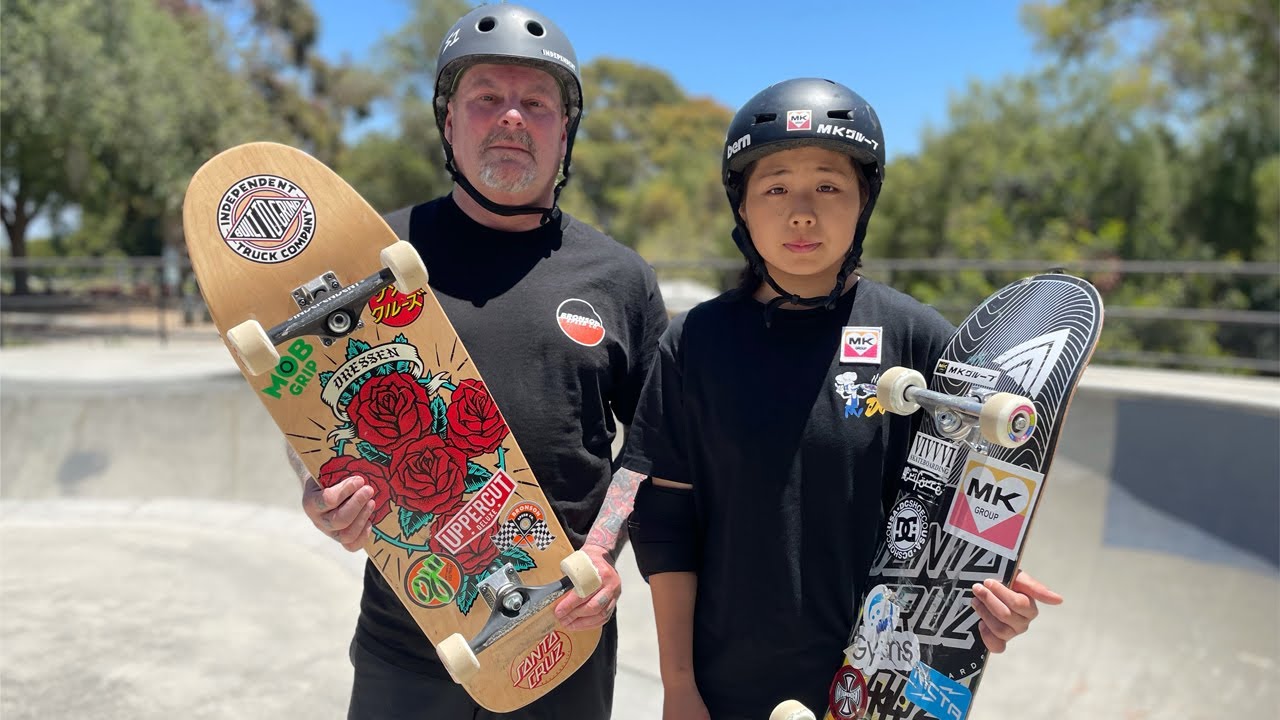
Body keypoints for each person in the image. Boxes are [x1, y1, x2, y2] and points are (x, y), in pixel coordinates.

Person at [621, 78, 1064, 719]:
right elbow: (665, 528)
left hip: (878, 696)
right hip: (725, 690)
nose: (802, 212)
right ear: (741, 206)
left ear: (863, 201)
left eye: (828, 186)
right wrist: (678, 687)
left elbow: (965, 522)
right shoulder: (694, 343)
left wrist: (991, 603)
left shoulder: (921, 340)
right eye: (775, 187)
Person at [286, 4, 666, 718]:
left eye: (537, 103)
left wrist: (608, 554)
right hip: (409, 640)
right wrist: (318, 487)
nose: (512, 117)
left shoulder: (619, 278)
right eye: (487, 97)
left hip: (561, 632)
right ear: (449, 120)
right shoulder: (372, 256)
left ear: (565, 132)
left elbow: (649, 448)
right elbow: (308, 408)